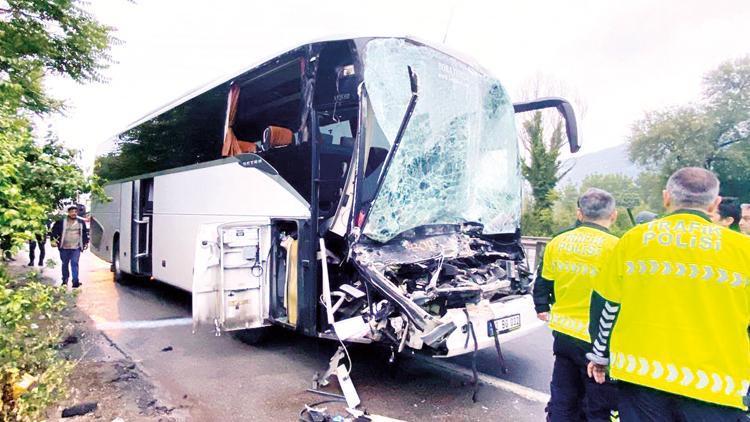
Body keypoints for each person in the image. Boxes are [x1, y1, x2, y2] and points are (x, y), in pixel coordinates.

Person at [587, 167, 749, 421]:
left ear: (666, 197)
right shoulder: (743, 250)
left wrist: (600, 356)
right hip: (717, 387)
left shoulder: (633, 240)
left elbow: (606, 306)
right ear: (714, 204)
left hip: (640, 377)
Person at [533, 188, 620, 421]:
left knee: (563, 397)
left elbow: (543, 280)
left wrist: (541, 306)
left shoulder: (558, 242)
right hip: (598, 340)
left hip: (563, 334)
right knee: (598, 405)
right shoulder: (618, 248)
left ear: (579, 213)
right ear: (614, 215)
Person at [50, 205, 89, 288]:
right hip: (64, 248)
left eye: (75, 212)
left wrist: (85, 243)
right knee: (65, 264)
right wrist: (53, 241)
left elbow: (84, 233)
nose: (73, 213)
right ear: (68, 213)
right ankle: (65, 280)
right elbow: (54, 231)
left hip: (76, 248)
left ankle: (75, 281)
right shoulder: (61, 222)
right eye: (72, 212)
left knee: (74, 263)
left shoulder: (80, 222)